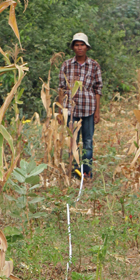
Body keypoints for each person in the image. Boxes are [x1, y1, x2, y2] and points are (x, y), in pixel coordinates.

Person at [58, 32, 102, 179]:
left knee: (88, 141)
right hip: (71, 109)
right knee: (73, 141)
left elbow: (98, 89)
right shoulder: (66, 65)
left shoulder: (94, 65)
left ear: (87, 47)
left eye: (82, 44)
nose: (79, 47)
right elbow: (62, 88)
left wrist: (97, 111)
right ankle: (74, 171)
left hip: (88, 108)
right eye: (76, 45)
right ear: (73, 47)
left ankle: (86, 172)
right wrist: (60, 110)